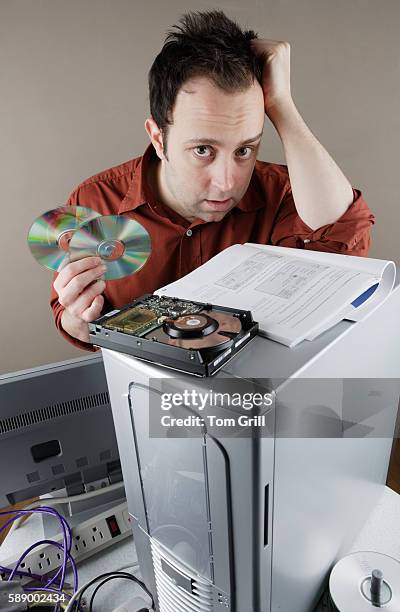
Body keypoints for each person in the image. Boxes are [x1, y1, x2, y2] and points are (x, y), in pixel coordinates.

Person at [51, 10, 375, 351]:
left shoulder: (285, 195)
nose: (226, 183)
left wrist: (281, 104)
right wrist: (80, 319)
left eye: (244, 150)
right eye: (203, 149)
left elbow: (347, 240)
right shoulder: (93, 201)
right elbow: (72, 320)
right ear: (158, 139)